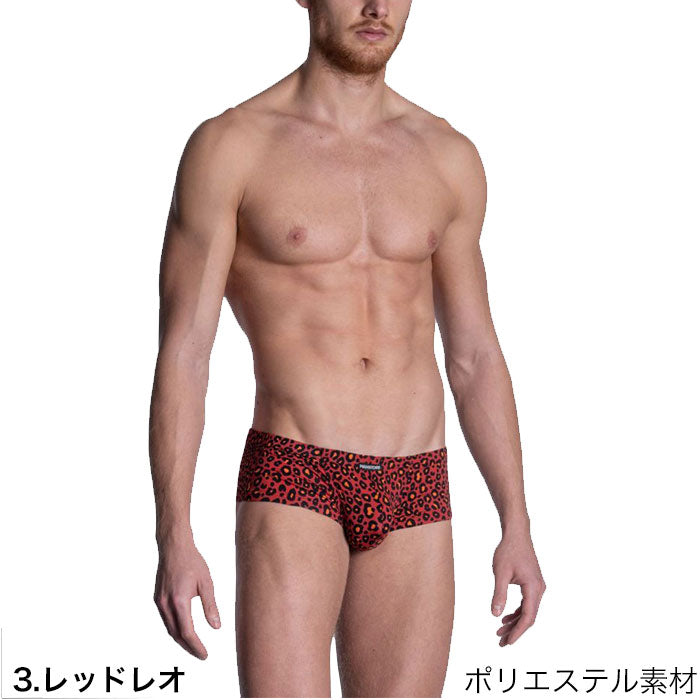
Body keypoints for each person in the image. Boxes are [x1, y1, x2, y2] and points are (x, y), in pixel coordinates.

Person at [148, 0, 546, 696]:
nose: (376, 6)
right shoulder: (232, 146)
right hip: (295, 472)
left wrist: (516, 519)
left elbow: (475, 353)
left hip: (417, 480)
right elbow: (186, 350)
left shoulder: (447, 155)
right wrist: (173, 534)